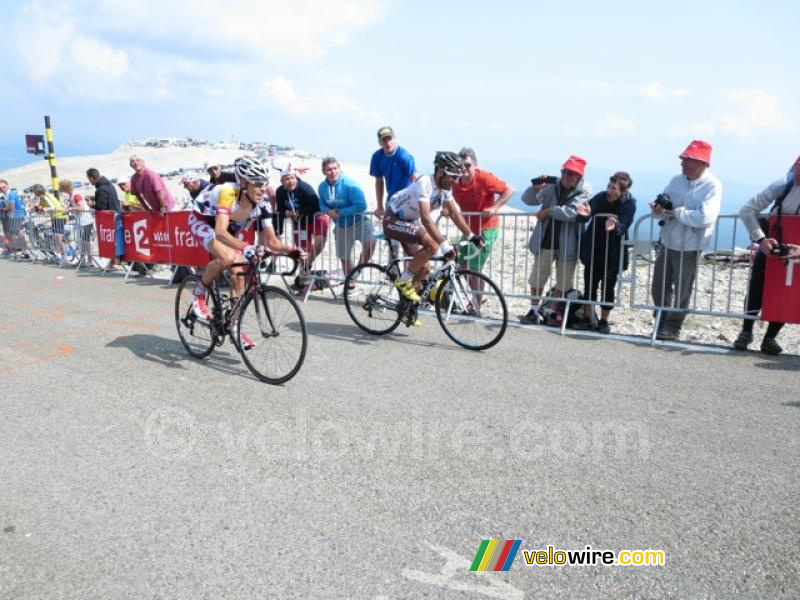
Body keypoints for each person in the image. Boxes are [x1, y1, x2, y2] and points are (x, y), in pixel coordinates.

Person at [188, 156, 305, 349]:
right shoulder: (228, 192)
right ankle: (198, 292)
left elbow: (273, 241)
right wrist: (247, 247)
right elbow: (220, 232)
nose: (263, 188)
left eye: (265, 183)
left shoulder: (263, 203)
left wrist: (291, 250)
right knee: (227, 257)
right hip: (203, 223)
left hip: (230, 229)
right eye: (258, 184)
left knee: (239, 274)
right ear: (243, 183)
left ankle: (234, 325)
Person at [383, 151, 484, 318]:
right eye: (453, 177)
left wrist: (471, 236)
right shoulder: (425, 182)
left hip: (408, 222)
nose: (455, 181)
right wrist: (444, 246)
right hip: (393, 219)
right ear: (441, 172)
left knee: (424, 269)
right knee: (433, 244)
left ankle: (407, 308)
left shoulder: (445, 188)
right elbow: (425, 218)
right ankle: (403, 281)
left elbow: (453, 213)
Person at [650, 140, 722, 341]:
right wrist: (658, 210)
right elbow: (663, 207)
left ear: (702, 163)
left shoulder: (713, 185)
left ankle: (674, 326)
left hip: (691, 245)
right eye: (683, 159)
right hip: (668, 241)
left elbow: (705, 218)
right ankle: (660, 319)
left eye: (688, 160)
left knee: (683, 288)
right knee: (659, 285)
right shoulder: (675, 181)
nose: (683, 164)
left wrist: (676, 212)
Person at [733, 155, 800, 355]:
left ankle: (770, 337)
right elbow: (747, 210)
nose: (797, 175)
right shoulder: (783, 184)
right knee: (757, 285)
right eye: (796, 170)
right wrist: (761, 240)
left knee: (787, 290)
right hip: (772, 241)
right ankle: (746, 331)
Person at [520, 155, 593, 325]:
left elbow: (573, 213)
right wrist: (535, 188)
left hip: (569, 242)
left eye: (571, 173)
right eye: (565, 172)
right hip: (546, 238)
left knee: (564, 280)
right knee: (538, 276)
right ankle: (534, 310)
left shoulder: (586, 190)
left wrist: (548, 211)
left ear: (579, 177)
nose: (566, 176)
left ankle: (553, 310)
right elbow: (528, 200)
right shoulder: (551, 186)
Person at [572, 172, 636, 334]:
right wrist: (584, 213)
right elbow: (587, 211)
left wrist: (615, 225)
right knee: (590, 283)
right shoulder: (601, 197)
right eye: (609, 186)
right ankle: (587, 317)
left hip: (613, 250)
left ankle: (604, 320)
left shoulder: (629, 202)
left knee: (608, 285)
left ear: (623, 190)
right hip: (594, 246)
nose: (609, 190)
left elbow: (625, 223)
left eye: (614, 188)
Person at [452, 147, 514, 292]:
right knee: (461, 264)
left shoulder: (484, 178)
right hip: (469, 229)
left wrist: (494, 208)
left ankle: (476, 302)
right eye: (461, 165)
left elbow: (509, 190)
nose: (464, 169)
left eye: (467, 165)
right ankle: (478, 296)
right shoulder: (455, 181)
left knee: (474, 266)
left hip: (487, 227)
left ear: (475, 164)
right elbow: (446, 197)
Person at [318, 156, 376, 281]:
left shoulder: (350, 184)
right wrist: (328, 211)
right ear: (324, 171)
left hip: (360, 221)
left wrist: (341, 212)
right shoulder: (322, 187)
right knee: (344, 257)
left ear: (339, 168)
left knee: (371, 243)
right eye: (329, 169)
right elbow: (321, 204)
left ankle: (358, 269)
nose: (332, 172)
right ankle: (350, 283)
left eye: (335, 168)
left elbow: (362, 205)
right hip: (341, 226)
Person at [275, 165, 329, 284]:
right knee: (302, 251)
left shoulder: (305, 188)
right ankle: (305, 279)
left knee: (319, 242)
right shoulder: (280, 191)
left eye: (293, 178)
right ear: (282, 181)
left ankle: (307, 265)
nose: (291, 181)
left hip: (315, 218)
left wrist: (300, 212)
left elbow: (316, 204)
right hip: (299, 224)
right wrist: (286, 214)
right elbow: (279, 209)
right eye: (287, 179)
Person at [370, 126, 416, 218]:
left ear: (395, 139)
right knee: (389, 230)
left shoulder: (403, 156)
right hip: (392, 201)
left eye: (390, 139)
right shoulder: (377, 157)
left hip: (408, 201)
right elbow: (379, 181)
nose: (388, 143)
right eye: (384, 140)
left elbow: (415, 179)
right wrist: (379, 207)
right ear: (379, 143)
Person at [87, 168, 123, 269]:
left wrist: (91, 205)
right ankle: (113, 263)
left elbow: (102, 206)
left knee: (112, 241)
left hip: (110, 218)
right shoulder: (109, 186)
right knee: (116, 241)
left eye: (89, 179)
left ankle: (115, 263)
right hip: (117, 215)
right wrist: (94, 198)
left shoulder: (101, 189)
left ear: (92, 178)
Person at [60, 179, 94, 262]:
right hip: (81, 220)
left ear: (65, 188)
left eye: (61, 188)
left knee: (86, 241)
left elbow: (81, 207)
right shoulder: (72, 195)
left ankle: (90, 261)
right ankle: (82, 260)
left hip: (85, 221)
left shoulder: (76, 195)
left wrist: (69, 209)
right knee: (81, 241)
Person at [32, 183, 67, 259]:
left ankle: (62, 255)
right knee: (56, 236)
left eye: (34, 191)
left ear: (37, 191)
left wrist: (43, 209)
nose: (33, 193)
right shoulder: (44, 196)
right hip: (57, 216)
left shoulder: (45, 197)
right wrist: (38, 209)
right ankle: (60, 254)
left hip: (59, 216)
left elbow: (52, 207)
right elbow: (40, 206)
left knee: (57, 236)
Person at [0, 180, 26, 257]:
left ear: (7, 186)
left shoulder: (11, 194)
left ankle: (16, 251)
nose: (2, 188)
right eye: (0, 187)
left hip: (16, 215)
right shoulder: (5, 195)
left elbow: (12, 208)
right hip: (15, 215)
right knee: (17, 232)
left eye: (3, 186)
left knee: (12, 233)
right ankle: (22, 250)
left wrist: (3, 209)